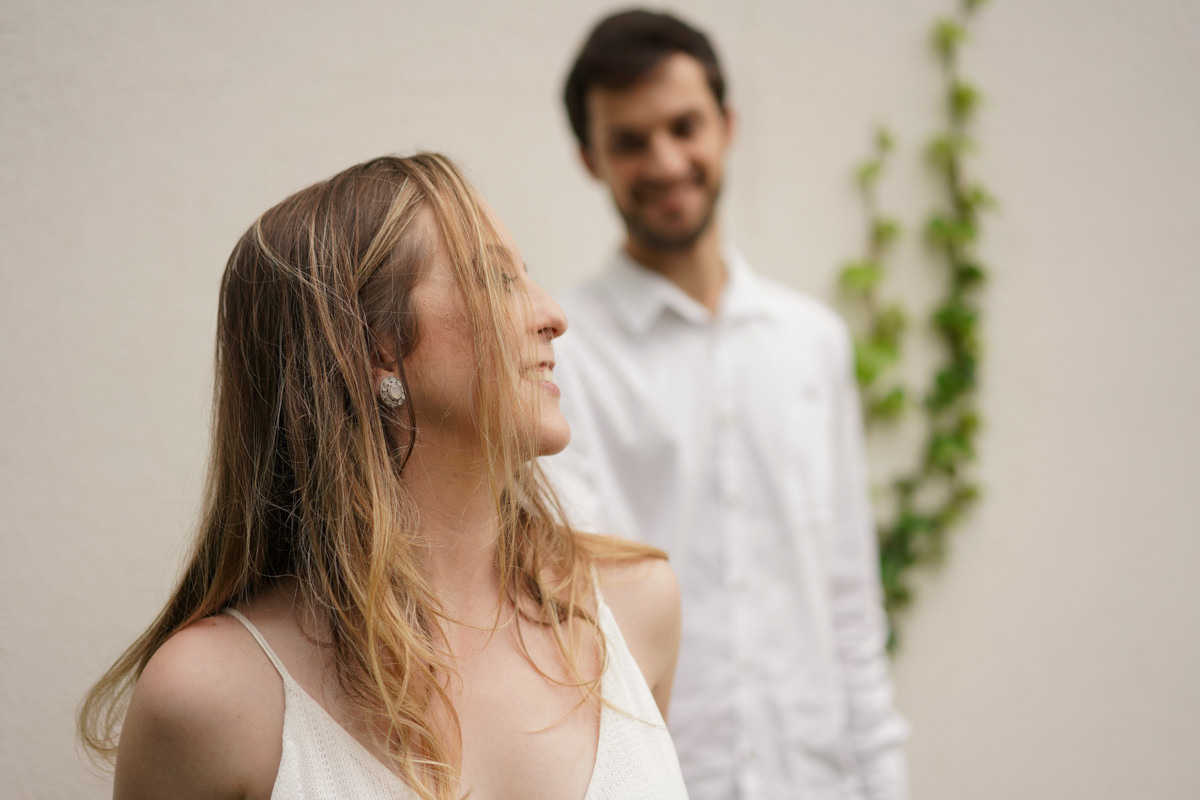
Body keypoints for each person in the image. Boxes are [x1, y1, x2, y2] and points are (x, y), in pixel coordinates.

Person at [78, 153, 688, 800]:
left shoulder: (635, 608)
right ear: (377, 348)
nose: (552, 314)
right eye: (496, 279)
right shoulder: (213, 699)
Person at [544, 10, 909, 800]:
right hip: (664, 780)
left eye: (684, 126)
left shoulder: (813, 341)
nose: (666, 160)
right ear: (589, 159)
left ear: (727, 125)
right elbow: (583, 617)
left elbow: (849, 592)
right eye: (630, 140)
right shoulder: (562, 357)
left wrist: (885, 780)